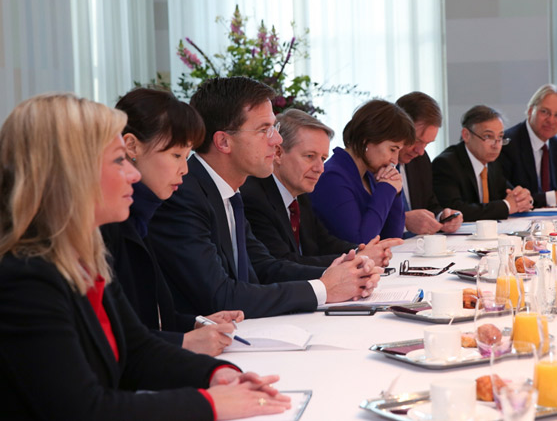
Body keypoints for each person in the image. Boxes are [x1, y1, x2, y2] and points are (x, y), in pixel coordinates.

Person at [0, 93, 290, 419]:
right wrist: (211, 405)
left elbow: (136, 349)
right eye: (117, 160)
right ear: (68, 172)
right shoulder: (25, 278)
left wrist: (216, 374)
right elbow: (83, 409)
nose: (133, 174)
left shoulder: (82, 255)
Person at [148, 77, 382, 319]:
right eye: (264, 130)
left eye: (275, 129)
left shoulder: (229, 192)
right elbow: (220, 296)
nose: (277, 140)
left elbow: (264, 267)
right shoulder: (183, 195)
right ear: (224, 141)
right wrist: (323, 288)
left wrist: (341, 274)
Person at [101, 88, 243, 357]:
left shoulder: (141, 215)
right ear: (131, 147)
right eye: (176, 155)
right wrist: (184, 342)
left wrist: (196, 323)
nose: (185, 169)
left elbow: (145, 318)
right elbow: (118, 336)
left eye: (187, 156)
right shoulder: (114, 222)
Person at [241, 109, 402, 267]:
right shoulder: (254, 198)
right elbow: (281, 265)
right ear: (278, 153)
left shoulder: (299, 194)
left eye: (323, 158)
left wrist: (362, 251)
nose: (320, 168)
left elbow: (324, 243)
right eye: (310, 156)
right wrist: (359, 257)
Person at [309, 99, 416, 244]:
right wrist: (386, 190)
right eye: (392, 149)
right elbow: (361, 244)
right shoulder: (333, 177)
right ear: (367, 141)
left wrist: (395, 193)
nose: (394, 160)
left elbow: (393, 239)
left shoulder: (368, 175)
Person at [433, 105, 533, 221]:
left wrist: (523, 198)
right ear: (466, 135)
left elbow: (509, 193)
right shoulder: (446, 164)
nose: (496, 145)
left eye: (500, 137)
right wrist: (507, 206)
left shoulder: (492, 162)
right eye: (488, 136)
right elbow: (455, 210)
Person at [395, 92, 463, 235]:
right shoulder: (374, 164)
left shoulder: (420, 159)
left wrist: (442, 217)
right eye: (417, 141)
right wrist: (403, 221)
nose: (420, 151)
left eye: (427, 144)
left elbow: (430, 204)